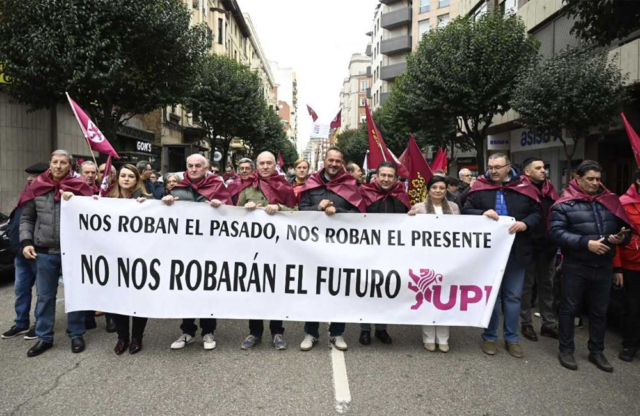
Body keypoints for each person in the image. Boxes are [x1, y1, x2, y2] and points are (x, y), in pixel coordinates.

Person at [549, 160, 631, 372]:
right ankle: (566, 350)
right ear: (578, 178)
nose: (595, 183)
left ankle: (597, 351)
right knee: (569, 309)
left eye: (598, 179)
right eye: (590, 179)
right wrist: (586, 243)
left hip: (603, 266)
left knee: (599, 311)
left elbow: (624, 229)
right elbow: (556, 233)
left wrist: (621, 237)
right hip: (576, 266)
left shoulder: (610, 201)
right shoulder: (564, 204)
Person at [463, 153, 541, 359]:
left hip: (517, 252)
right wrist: (481, 213)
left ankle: (512, 339)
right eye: (490, 167)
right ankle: (489, 337)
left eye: (498, 167)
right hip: (488, 254)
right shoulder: (479, 186)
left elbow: (538, 213)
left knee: (513, 297)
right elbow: (466, 209)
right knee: (492, 297)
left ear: (508, 167)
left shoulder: (525, 188)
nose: (493, 171)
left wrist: (526, 224)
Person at [20, 150, 94, 357]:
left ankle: (76, 333)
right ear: (50, 164)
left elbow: (94, 216)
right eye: (55, 162)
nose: (59, 166)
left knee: (74, 294)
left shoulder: (80, 188)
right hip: (44, 251)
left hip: (73, 252)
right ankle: (44, 337)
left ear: (70, 166)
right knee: (44, 296)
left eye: (63, 162)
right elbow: (27, 218)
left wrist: (76, 199)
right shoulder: (37, 188)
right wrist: (26, 241)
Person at [299, 146, 365, 351]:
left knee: (339, 290)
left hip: (340, 248)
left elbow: (359, 212)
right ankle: (311, 332)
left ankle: (337, 333)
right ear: (324, 161)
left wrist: (340, 211)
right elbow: (301, 211)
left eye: (338, 161)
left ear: (342, 163)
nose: (334, 164)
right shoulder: (311, 184)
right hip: (313, 248)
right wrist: (317, 209)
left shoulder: (351, 184)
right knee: (313, 290)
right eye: (331, 160)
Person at [162, 154, 230, 350]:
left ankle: (208, 331)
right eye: (190, 166)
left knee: (208, 290)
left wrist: (221, 207)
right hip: (184, 250)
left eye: (198, 166)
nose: (193, 169)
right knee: (186, 290)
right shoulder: (178, 188)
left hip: (210, 248)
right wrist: (164, 202)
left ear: (206, 167)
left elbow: (231, 213)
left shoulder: (218, 186)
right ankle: (187, 331)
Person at [236, 152, 297, 351]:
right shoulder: (247, 187)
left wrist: (278, 207)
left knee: (277, 290)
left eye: (268, 163)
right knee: (255, 290)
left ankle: (277, 331)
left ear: (274, 165)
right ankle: (254, 332)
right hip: (253, 250)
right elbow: (235, 215)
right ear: (257, 166)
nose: (264, 166)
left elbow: (297, 213)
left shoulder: (284, 185)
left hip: (279, 249)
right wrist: (245, 208)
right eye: (261, 163)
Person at [359, 162, 410, 346]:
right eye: (383, 175)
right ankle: (365, 329)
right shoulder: (364, 192)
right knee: (366, 290)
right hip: (367, 250)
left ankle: (381, 329)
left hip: (391, 252)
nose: (386, 179)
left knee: (385, 289)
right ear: (376, 176)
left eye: (390, 176)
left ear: (396, 178)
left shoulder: (402, 195)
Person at [409, 175, 460, 352]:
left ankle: (444, 338)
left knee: (445, 298)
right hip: (426, 260)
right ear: (428, 189)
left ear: (446, 190)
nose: (438, 191)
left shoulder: (453, 208)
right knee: (428, 297)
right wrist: (408, 218)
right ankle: (429, 336)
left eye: (441, 188)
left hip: (447, 261)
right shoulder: (419, 208)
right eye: (434, 187)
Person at [2, 163, 48, 340]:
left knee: (42, 292)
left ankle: (40, 324)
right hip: (20, 253)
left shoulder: (47, 197)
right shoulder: (26, 195)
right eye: (29, 176)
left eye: (34, 175)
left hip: (37, 253)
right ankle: (21, 323)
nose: (29, 179)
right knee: (21, 290)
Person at [109, 165, 152, 354]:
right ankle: (122, 337)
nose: (126, 179)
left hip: (140, 258)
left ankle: (137, 338)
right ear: (118, 178)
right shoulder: (107, 201)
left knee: (139, 299)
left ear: (137, 180)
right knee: (118, 299)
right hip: (115, 258)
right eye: (123, 176)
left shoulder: (147, 201)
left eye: (130, 176)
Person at [519, 157, 559, 342]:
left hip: (548, 246)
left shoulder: (550, 191)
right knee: (526, 287)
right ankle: (526, 323)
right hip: (527, 246)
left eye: (544, 167)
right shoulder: (520, 191)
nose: (544, 170)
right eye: (538, 168)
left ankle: (548, 324)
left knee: (547, 285)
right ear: (527, 172)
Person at [614, 171, 640, 362]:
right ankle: (630, 344)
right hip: (632, 264)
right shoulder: (623, 203)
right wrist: (618, 268)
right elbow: (615, 238)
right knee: (632, 307)